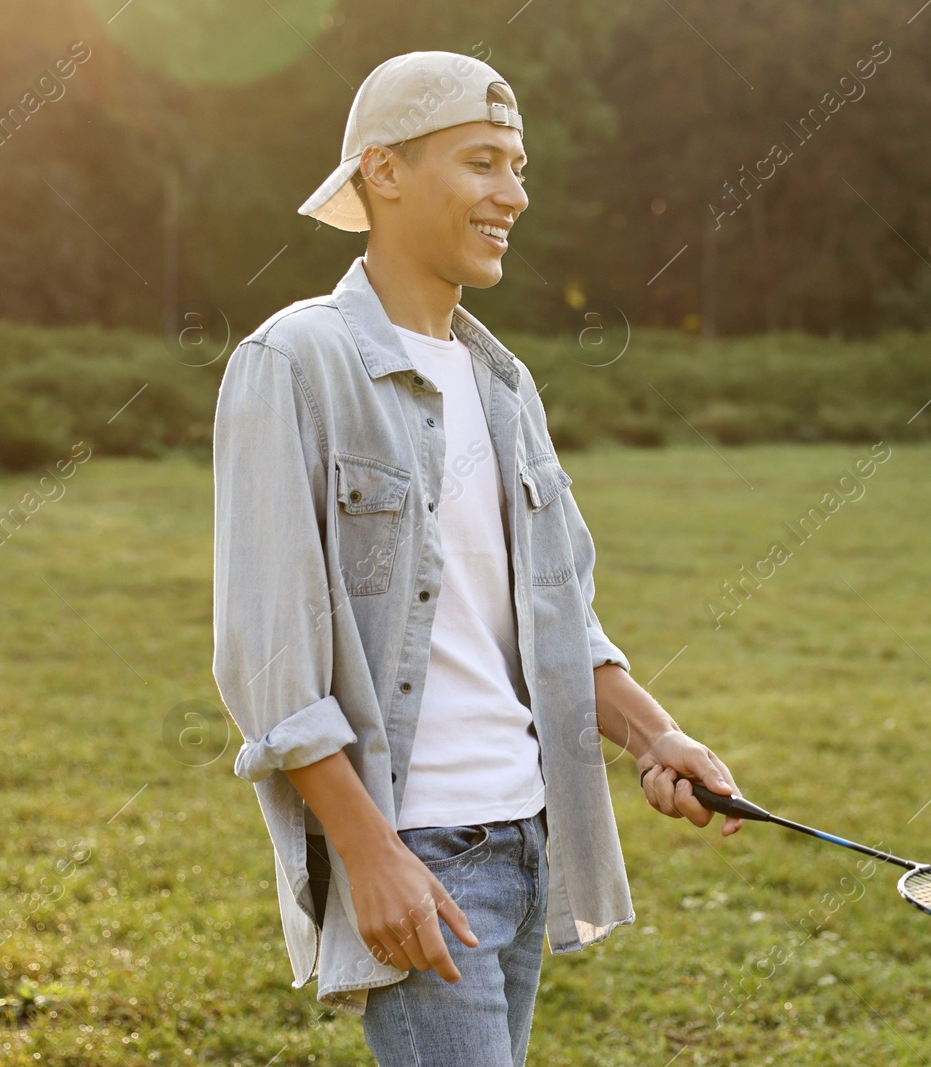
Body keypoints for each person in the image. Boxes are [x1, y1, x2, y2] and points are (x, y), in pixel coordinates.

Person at [211, 50, 742, 1066]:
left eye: (520, 165)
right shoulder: (296, 361)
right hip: (418, 853)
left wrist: (655, 734)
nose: (515, 194)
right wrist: (371, 855)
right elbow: (269, 654)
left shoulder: (502, 382)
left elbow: (554, 615)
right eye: (485, 162)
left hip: (526, 836)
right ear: (385, 172)